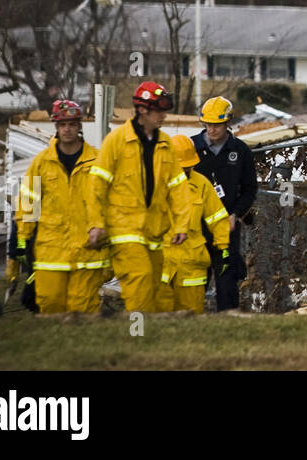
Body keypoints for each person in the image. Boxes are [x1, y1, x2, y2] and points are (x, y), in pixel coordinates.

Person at [85, 81, 190, 312]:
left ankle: (143, 336)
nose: (163, 115)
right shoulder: (117, 141)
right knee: (140, 278)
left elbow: (178, 188)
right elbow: (96, 186)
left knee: (153, 287)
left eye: (165, 110)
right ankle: (138, 335)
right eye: (158, 110)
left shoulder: (165, 144)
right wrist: (95, 224)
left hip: (154, 232)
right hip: (123, 231)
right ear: (143, 109)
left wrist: (182, 225)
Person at [10, 99, 110, 314]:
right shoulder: (41, 163)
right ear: (56, 126)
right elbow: (27, 206)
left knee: (84, 312)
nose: (67, 129)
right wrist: (20, 244)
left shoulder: (98, 160)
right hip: (51, 255)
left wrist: (105, 234)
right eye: (63, 124)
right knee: (50, 308)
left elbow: (111, 203)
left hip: (87, 254)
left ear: (79, 126)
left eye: (72, 124)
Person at [192, 96, 257, 312]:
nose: (211, 129)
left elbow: (249, 189)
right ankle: (188, 321)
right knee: (194, 280)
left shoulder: (241, 152)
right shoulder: (190, 148)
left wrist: (235, 214)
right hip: (195, 229)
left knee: (226, 280)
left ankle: (228, 319)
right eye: (208, 124)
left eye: (216, 125)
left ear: (227, 123)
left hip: (226, 230)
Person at [157, 135, 230, 314]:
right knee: (158, 319)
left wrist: (223, 249)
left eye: (188, 167)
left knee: (192, 318)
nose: (185, 171)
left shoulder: (201, 184)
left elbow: (218, 217)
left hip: (191, 263)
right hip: (161, 262)